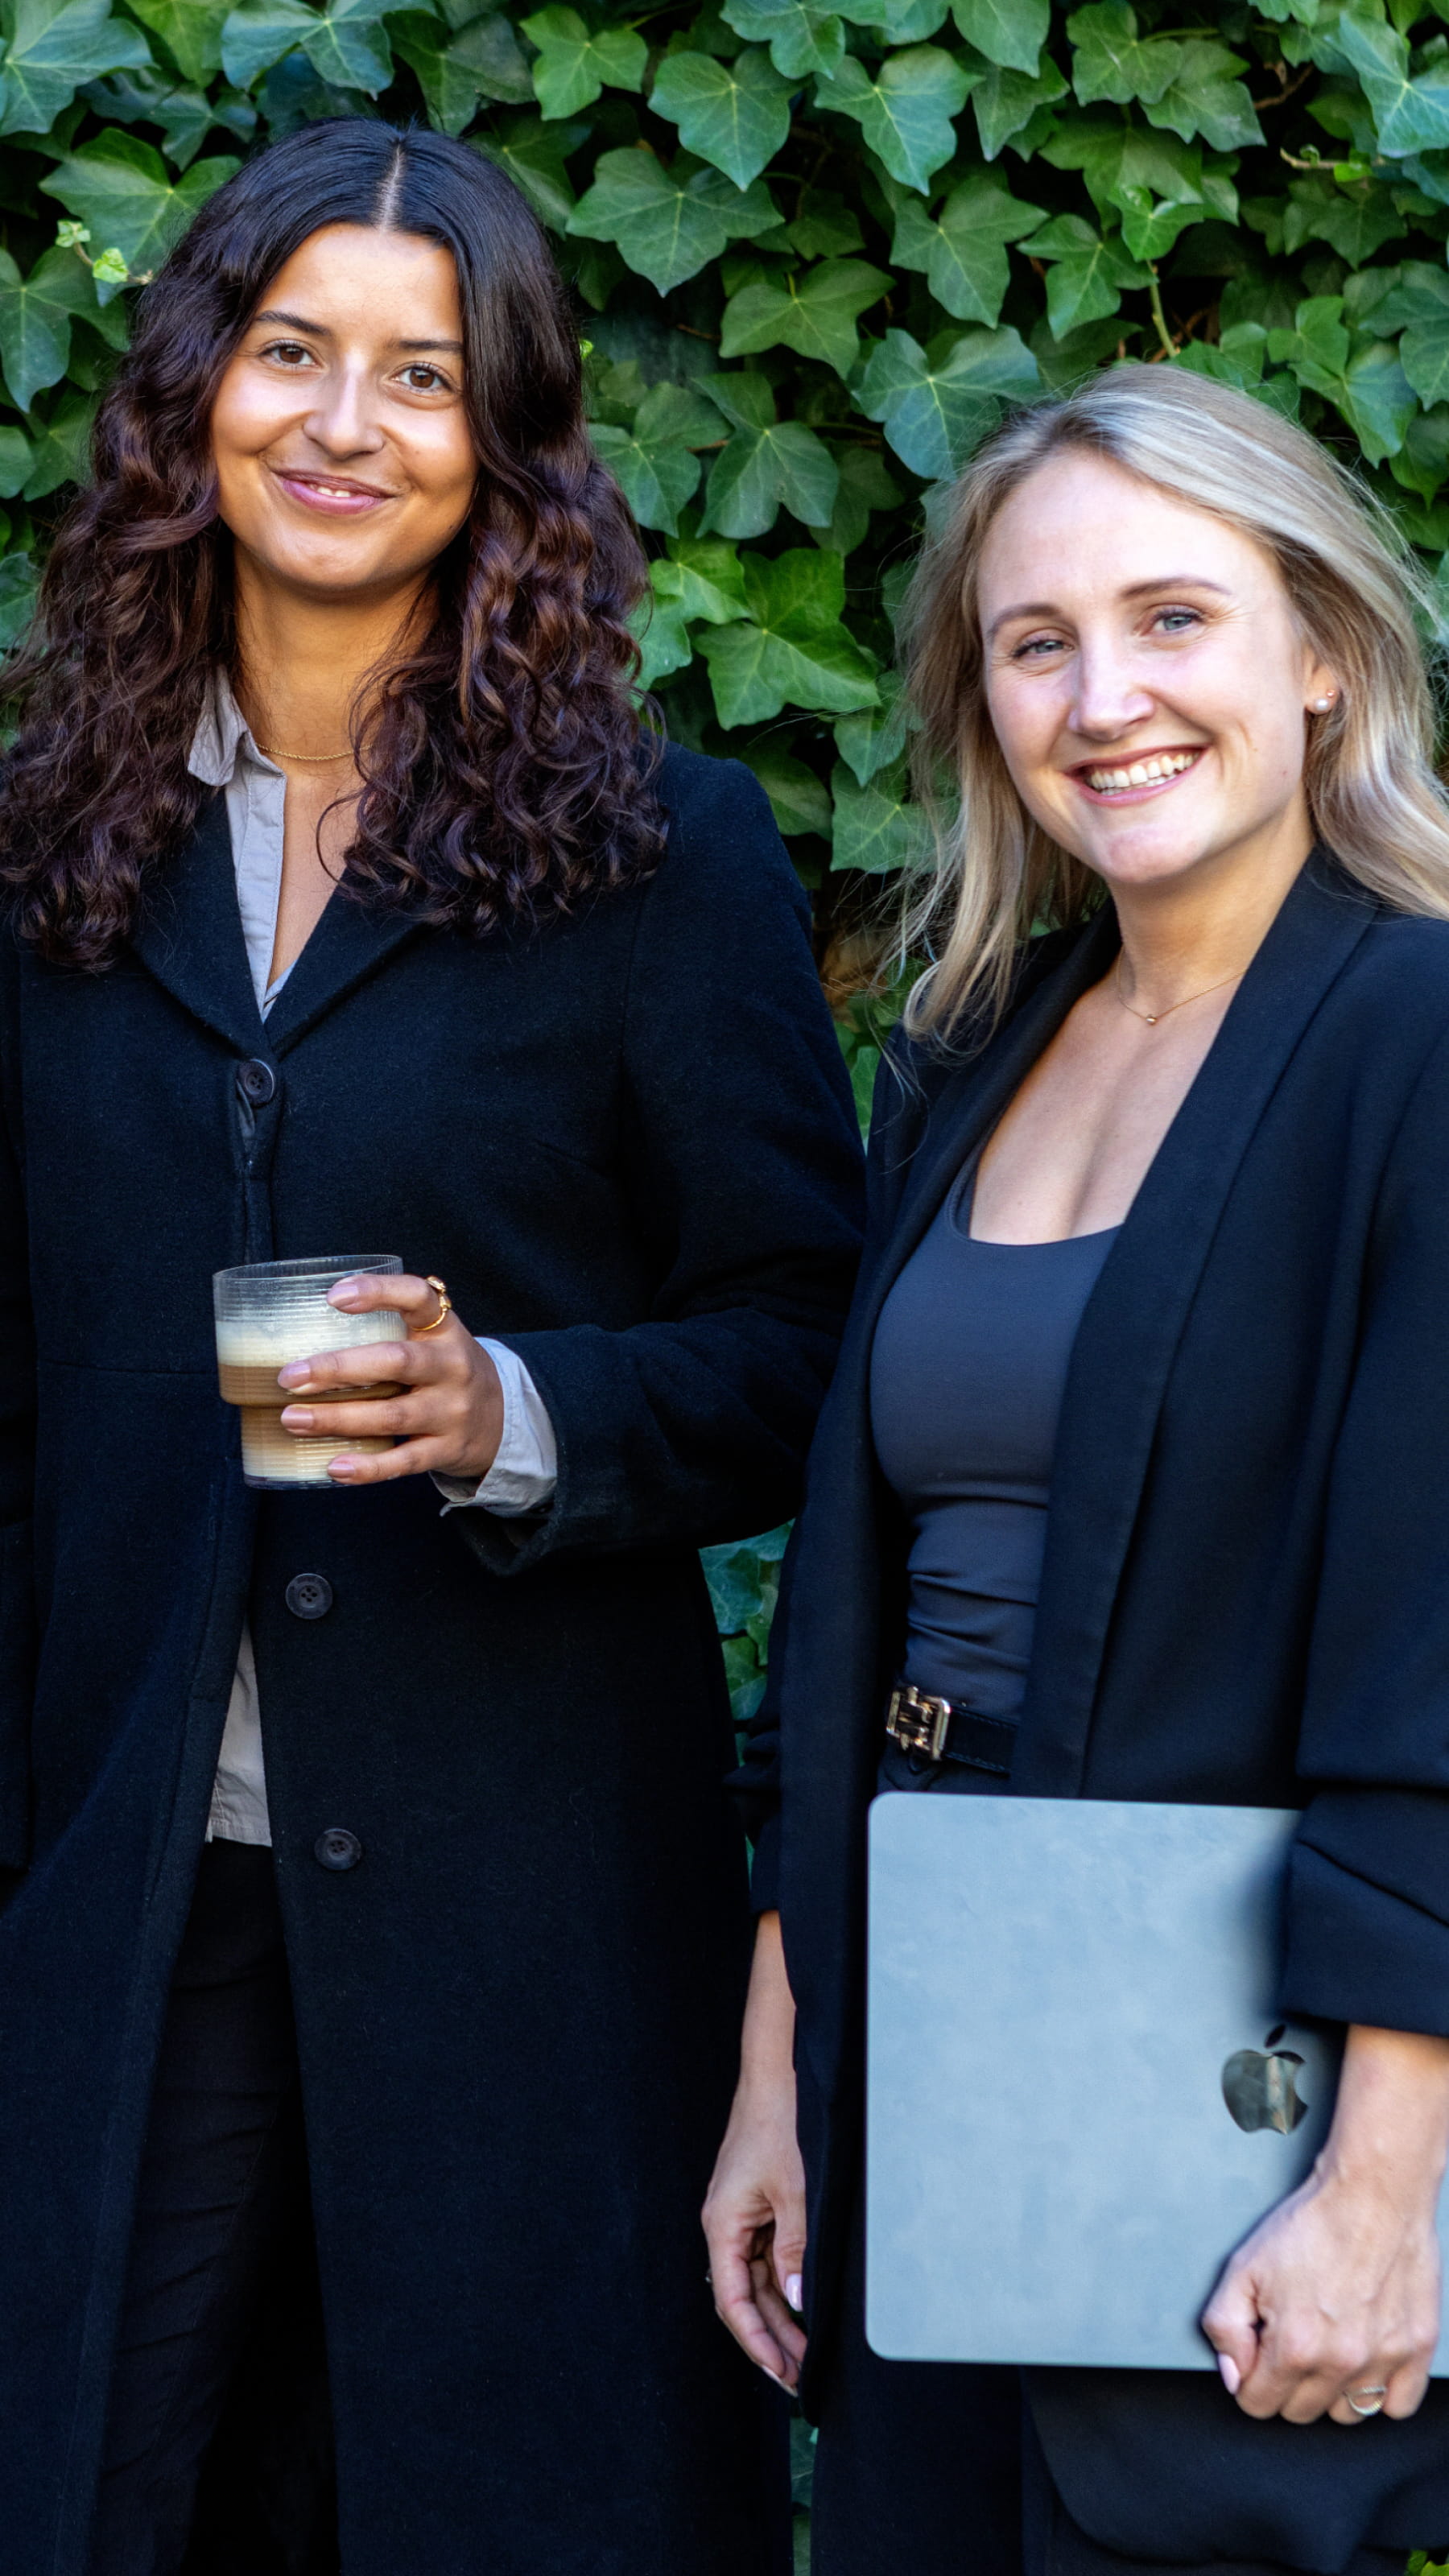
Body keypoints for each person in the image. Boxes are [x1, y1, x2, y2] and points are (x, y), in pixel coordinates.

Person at [0, 117, 864, 2576]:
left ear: (505, 445)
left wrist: (521, 1411)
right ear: (196, 395)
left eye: (423, 374)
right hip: (122, 1891)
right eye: (291, 354)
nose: (345, 424)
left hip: (521, 1907)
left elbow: (808, 1339)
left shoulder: (658, 850)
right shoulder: (44, 849)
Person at [707, 363, 1449, 2575]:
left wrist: (1393, 2181)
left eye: (1176, 619)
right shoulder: (972, 1048)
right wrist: (787, 2070)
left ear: (1323, 651)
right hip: (933, 2013)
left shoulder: (1417, 1038)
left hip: (1249, 2074)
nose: (1103, 695)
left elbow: (1442, 1643)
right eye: (1038, 643)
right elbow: (849, 1607)